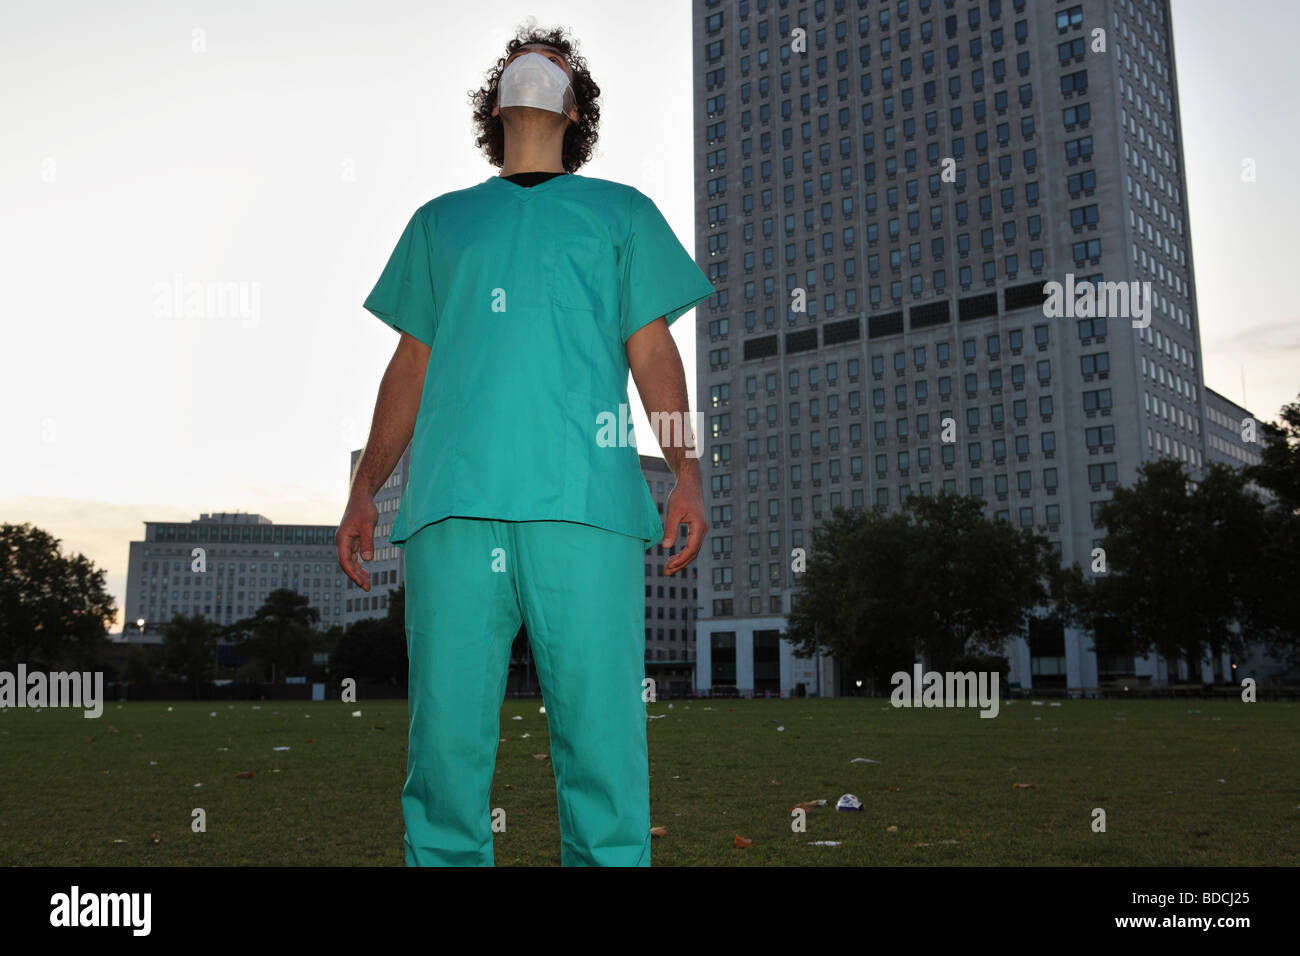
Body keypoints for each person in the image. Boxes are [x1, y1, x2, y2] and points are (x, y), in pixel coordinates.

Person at [335, 25, 713, 867]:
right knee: (444, 757)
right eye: (521, 54)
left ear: (574, 106)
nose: (536, 59)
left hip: (587, 510)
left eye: (557, 59)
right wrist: (366, 487)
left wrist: (687, 470)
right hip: (452, 511)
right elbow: (410, 364)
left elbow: (653, 352)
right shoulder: (440, 223)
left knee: (605, 749)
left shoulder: (623, 214)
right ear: (495, 100)